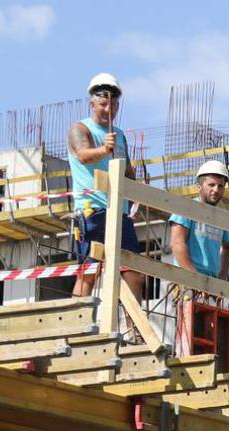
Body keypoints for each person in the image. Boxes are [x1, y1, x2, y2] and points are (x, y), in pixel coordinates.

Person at [68, 72, 144, 300]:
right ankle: (77, 323)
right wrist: (103, 149)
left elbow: (127, 170)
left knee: (133, 272)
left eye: (113, 104)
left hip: (119, 213)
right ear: (93, 104)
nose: (109, 109)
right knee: (90, 272)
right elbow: (83, 155)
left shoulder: (119, 135)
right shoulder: (80, 129)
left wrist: (138, 193)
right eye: (103, 104)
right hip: (93, 211)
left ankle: (134, 326)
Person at [168, 161, 229, 279]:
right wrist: (194, 278)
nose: (216, 190)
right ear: (199, 187)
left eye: (220, 186)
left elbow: (228, 247)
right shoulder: (187, 208)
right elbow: (177, 243)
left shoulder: (221, 216)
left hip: (212, 283)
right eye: (211, 185)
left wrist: (223, 276)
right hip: (187, 279)